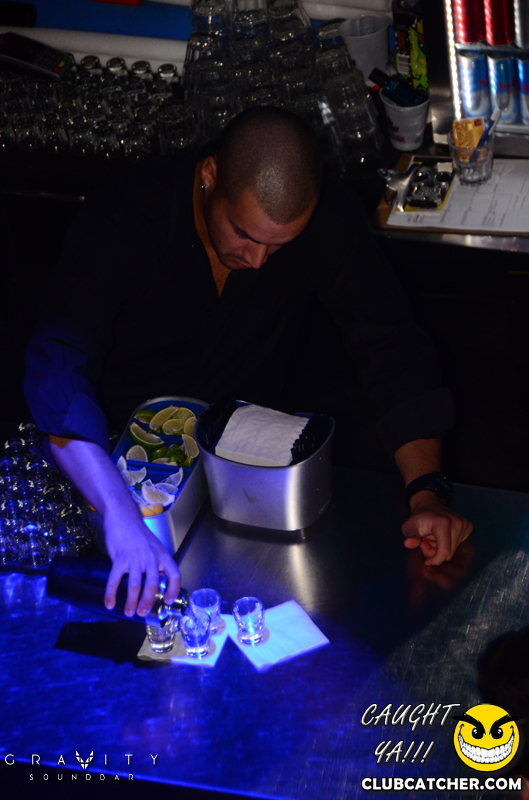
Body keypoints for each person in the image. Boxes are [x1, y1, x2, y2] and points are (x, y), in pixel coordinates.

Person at [24, 107, 473, 617]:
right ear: (210, 174)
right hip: (108, 473)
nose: (257, 260)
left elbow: (390, 345)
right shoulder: (127, 213)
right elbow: (57, 368)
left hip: (245, 484)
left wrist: (427, 493)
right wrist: (120, 515)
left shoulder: (325, 216)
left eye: (278, 246)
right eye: (244, 233)